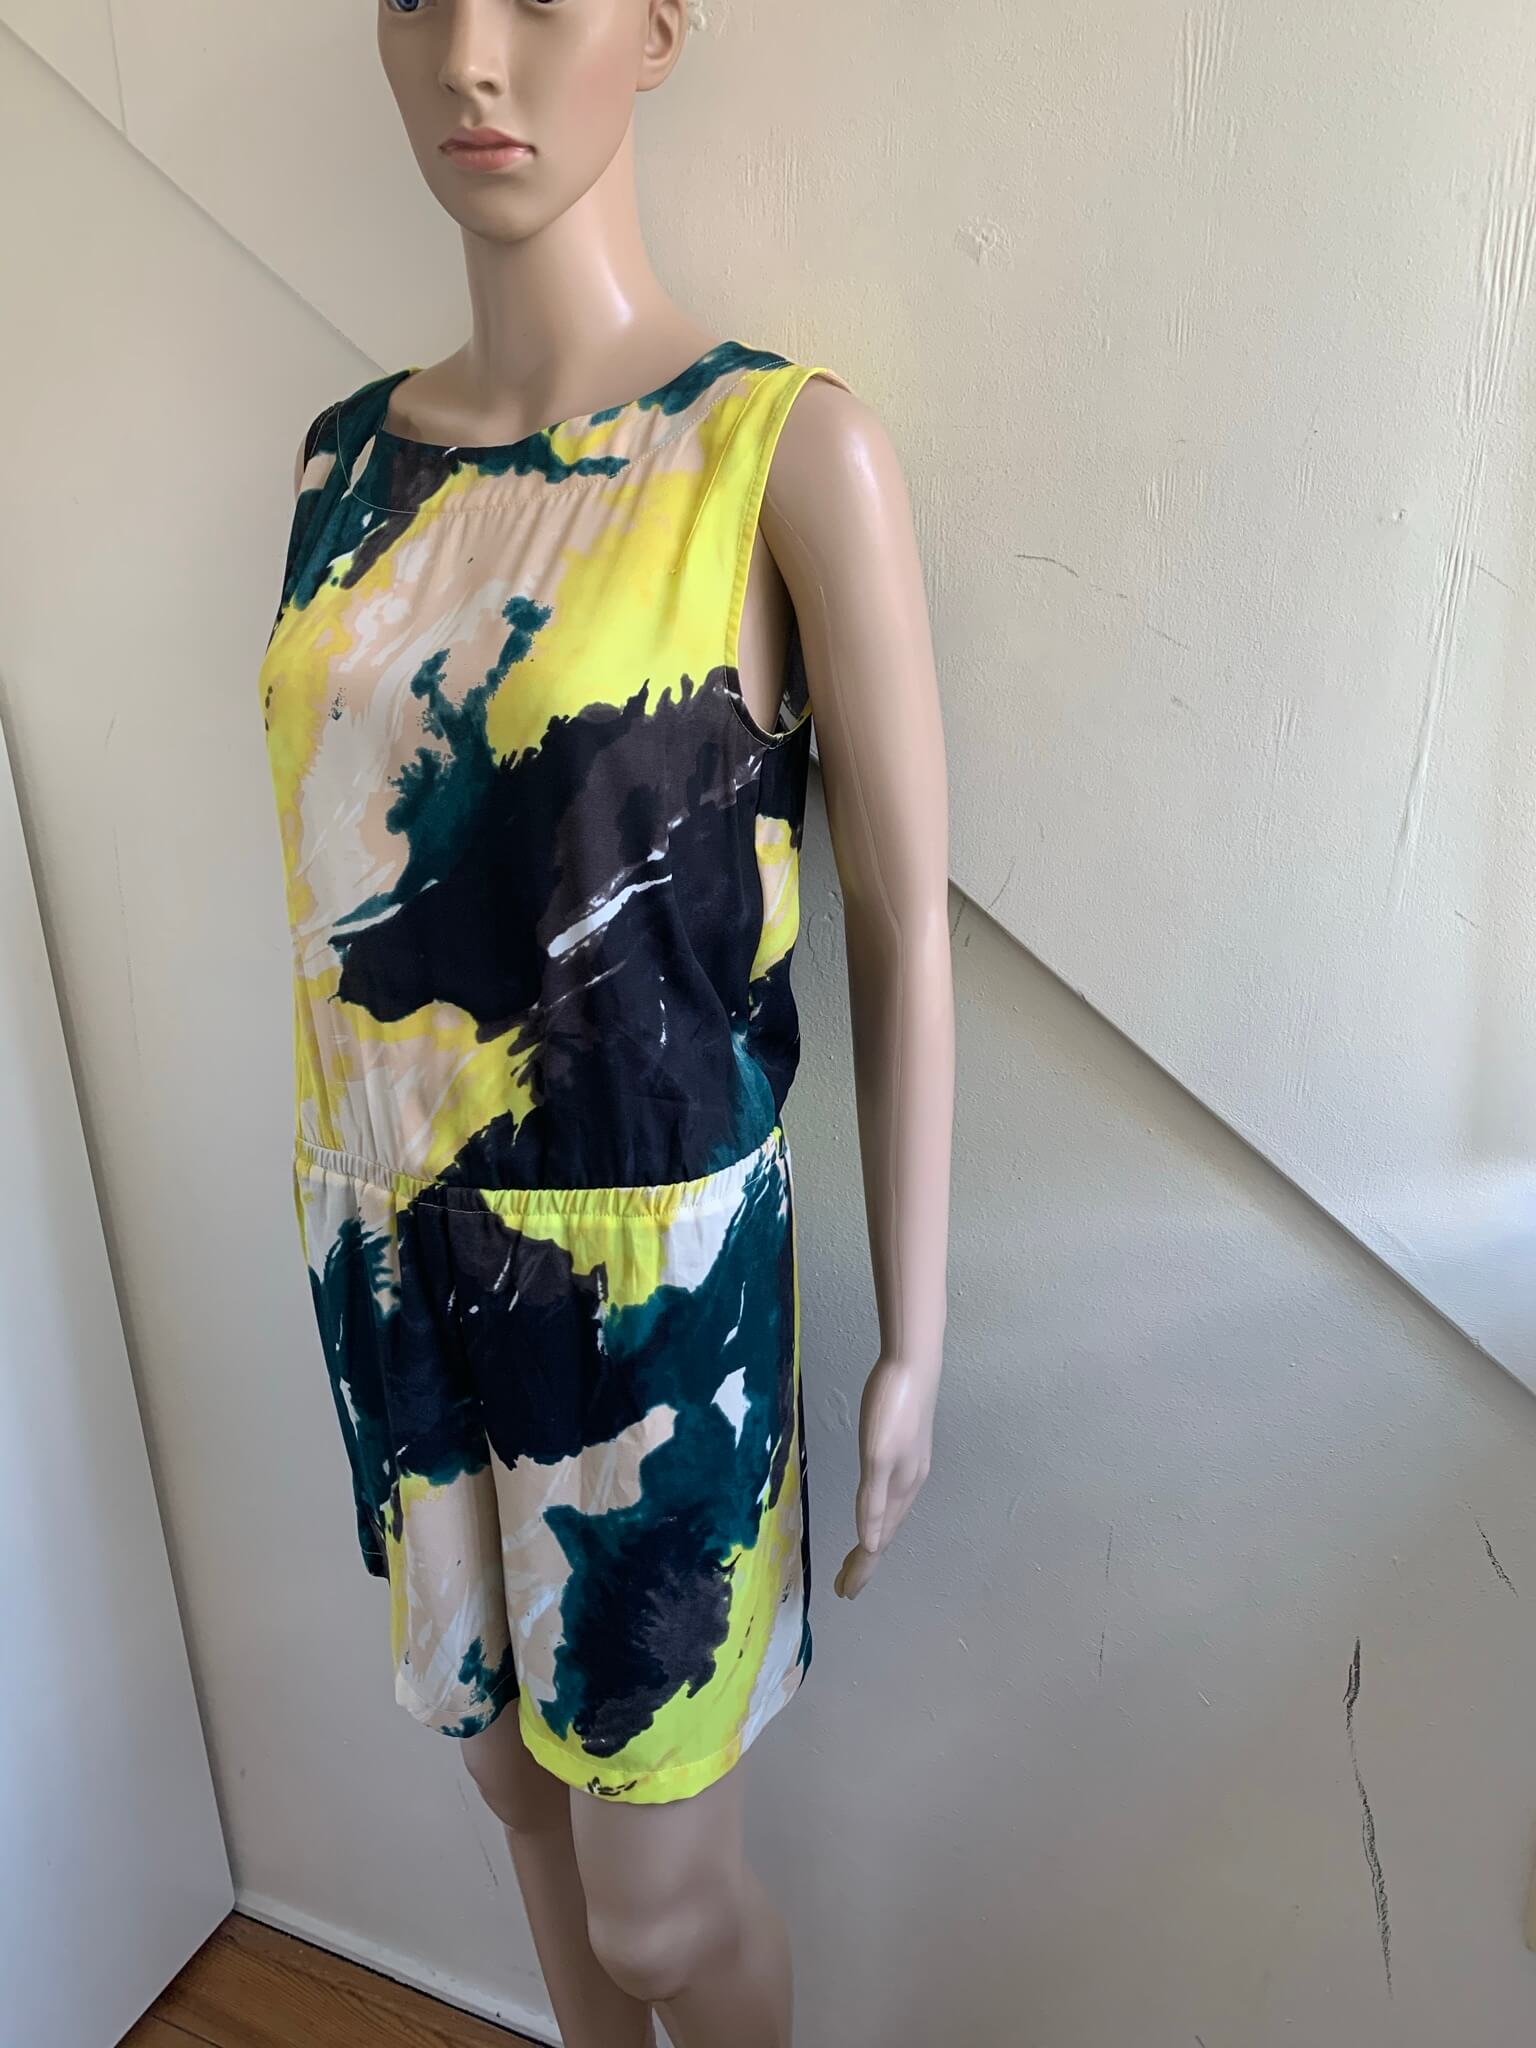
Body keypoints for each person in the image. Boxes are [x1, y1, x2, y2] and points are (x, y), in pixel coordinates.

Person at [257, 4, 953, 2042]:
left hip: (646, 1304)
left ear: (655, 27)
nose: (472, 59)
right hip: (387, 1252)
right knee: (512, 1799)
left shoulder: (779, 451)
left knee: (661, 1909)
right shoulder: (335, 467)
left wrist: (916, 1336)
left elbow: (905, 920)